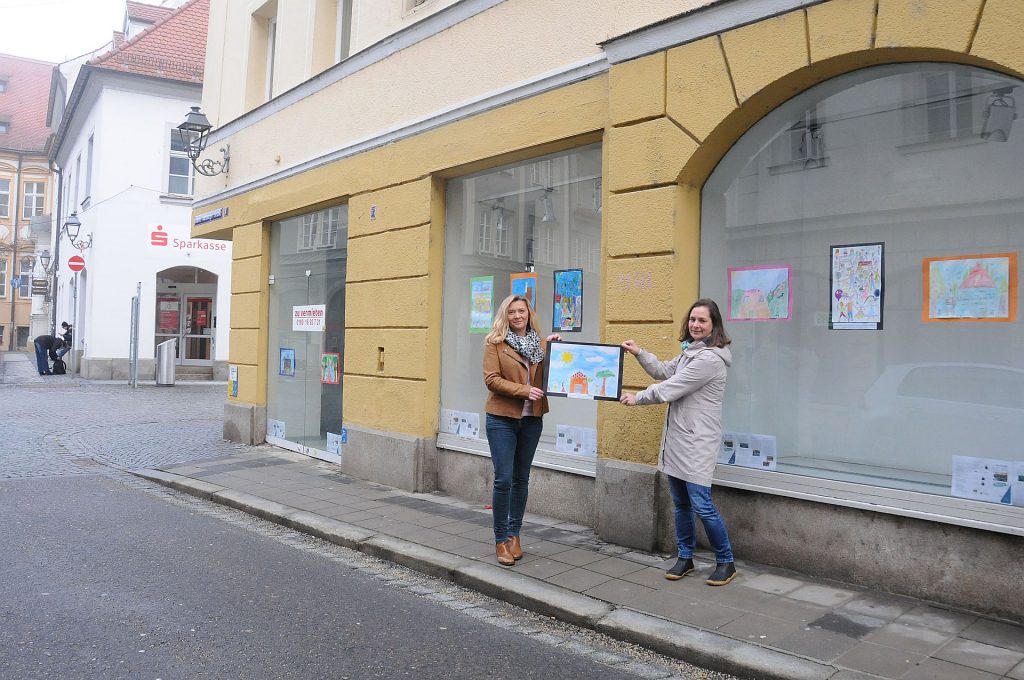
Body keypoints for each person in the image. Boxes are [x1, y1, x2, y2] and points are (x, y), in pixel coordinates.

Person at [619, 298, 737, 586]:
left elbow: (671, 387)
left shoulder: (709, 359)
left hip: (697, 442)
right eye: (693, 319)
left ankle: (726, 561)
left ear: (714, 325)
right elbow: (663, 371)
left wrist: (639, 398)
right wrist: (639, 353)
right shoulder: (691, 353)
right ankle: (685, 557)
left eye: (702, 321)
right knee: (680, 504)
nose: (695, 325)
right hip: (677, 441)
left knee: (702, 504)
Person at [482, 294, 559, 566]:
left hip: (531, 420)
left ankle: (515, 534)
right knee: (504, 479)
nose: (517, 316)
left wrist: (556, 351)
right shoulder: (496, 344)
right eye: (512, 312)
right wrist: (524, 391)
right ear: (506, 315)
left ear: (529, 314)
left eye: (521, 311)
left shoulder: (540, 344)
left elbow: (554, 375)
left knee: (521, 479)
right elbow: (492, 380)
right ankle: (501, 540)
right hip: (501, 418)